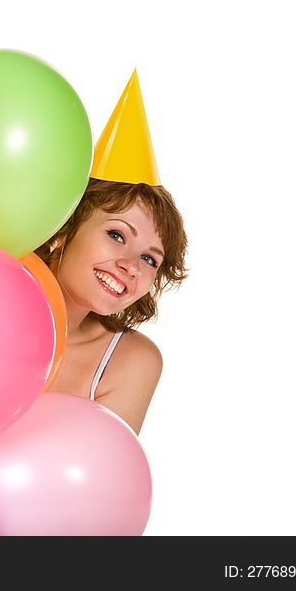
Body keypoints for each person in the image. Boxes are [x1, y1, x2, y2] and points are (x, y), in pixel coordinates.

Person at [35, 71, 189, 435]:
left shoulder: (129, 361)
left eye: (150, 258)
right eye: (117, 235)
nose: (130, 266)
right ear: (64, 229)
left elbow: (102, 484)